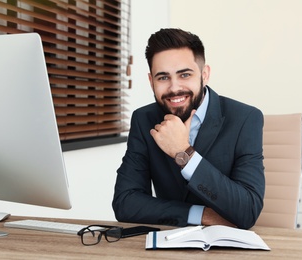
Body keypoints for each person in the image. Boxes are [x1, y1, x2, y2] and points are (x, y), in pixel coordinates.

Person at [112, 28, 265, 229]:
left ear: (205, 74)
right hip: (168, 243)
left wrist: (184, 153)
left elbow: (248, 210)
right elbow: (126, 203)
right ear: (151, 81)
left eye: (184, 74)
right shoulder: (144, 119)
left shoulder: (245, 119)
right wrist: (200, 215)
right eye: (163, 77)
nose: (174, 88)